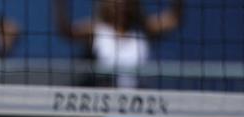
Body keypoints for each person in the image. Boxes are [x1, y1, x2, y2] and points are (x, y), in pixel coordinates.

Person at [54, 0, 184, 88]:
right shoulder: (96, 30)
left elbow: (174, 19)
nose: (122, 5)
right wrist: (60, 5)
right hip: (103, 103)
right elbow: (67, 32)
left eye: (126, 2)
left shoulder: (143, 30)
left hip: (138, 103)